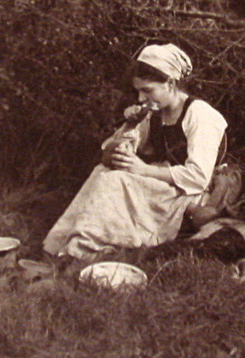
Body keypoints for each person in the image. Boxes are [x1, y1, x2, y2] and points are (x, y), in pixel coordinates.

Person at [42, 43, 228, 262]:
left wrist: (143, 170)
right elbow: (110, 153)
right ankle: (57, 245)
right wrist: (131, 126)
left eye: (147, 90)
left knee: (114, 181)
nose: (140, 98)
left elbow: (197, 177)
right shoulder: (154, 113)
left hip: (188, 192)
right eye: (138, 91)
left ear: (170, 82)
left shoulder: (200, 115)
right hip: (160, 182)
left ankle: (80, 251)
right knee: (101, 172)